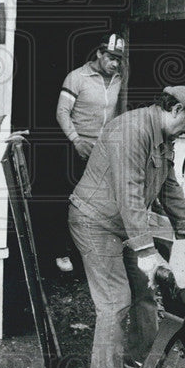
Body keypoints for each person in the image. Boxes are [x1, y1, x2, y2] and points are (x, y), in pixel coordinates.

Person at [68, 85, 185, 368]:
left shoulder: (163, 138)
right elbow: (129, 195)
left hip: (121, 224)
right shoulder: (132, 130)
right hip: (94, 221)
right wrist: (146, 252)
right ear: (175, 109)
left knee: (145, 291)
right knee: (115, 302)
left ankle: (142, 358)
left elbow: (170, 188)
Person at [54, 33, 125, 272]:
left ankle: (92, 255)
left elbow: (117, 113)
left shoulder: (118, 79)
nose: (115, 63)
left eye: (119, 59)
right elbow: (62, 112)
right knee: (71, 198)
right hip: (76, 146)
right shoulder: (77, 77)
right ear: (99, 53)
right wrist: (76, 141)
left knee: (99, 201)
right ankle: (61, 252)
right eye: (111, 57)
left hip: (102, 150)